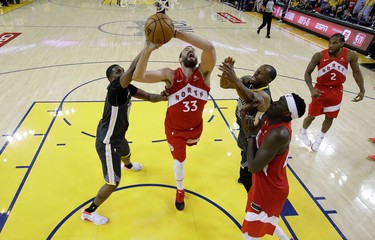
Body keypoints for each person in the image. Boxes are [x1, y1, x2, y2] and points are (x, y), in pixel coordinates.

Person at [81, 52, 168, 225]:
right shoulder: (115, 89)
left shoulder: (128, 88)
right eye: (117, 73)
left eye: (121, 71)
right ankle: (88, 212)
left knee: (126, 152)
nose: (121, 74)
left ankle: (127, 165)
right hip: (108, 142)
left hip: (118, 136)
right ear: (111, 79)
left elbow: (150, 97)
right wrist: (147, 48)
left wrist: (165, 97)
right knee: (113, 183)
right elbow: (132, 69)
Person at [133, 31, 216, 211]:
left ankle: (181, 181)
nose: (190, 51)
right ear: (180, 59)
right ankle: (180, 190)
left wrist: (176, 34)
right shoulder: (170, 75)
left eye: (192, 50)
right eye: (186, 51)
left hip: (196, 129)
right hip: (174, 130)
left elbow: (209, 47)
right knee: (180, 160)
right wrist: (147, 50)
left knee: (189, 149)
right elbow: (138, 77)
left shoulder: (204, 73)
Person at [241, 93, 306, 240]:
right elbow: (260, 100)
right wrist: (244, 113)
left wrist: (250, 135)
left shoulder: (280, 133)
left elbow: (253, 166)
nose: (274, 102)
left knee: (249, 234)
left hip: (269, 190)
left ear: (286, 113)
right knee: (264, 219)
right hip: (264, 184)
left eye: (280, 102)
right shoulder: (271, 117)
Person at [218, 57, 276, 192]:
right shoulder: (246, 79)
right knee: (241, 145)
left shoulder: (265, 95)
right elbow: (224, 85)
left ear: (268, 80)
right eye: (257, 70)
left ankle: (249, 177)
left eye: (261, 73)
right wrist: (227, 73)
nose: (256, 73)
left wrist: (236, 80)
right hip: (242, 122)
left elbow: (250, 97)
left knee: (248, 155)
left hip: (255, 129)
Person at [300, 33, 365, 151]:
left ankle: (320, 137)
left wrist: (362, 90)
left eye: (334, 43)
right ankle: (303, 131)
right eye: (330, 42)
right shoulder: (319, 55)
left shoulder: (351, 55)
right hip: (320, 89)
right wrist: (311, 89)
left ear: (342, 44)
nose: (330, 45)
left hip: (336, 90)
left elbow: (356, 72)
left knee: (330, 117)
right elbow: (307, 73)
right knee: (312, 115)